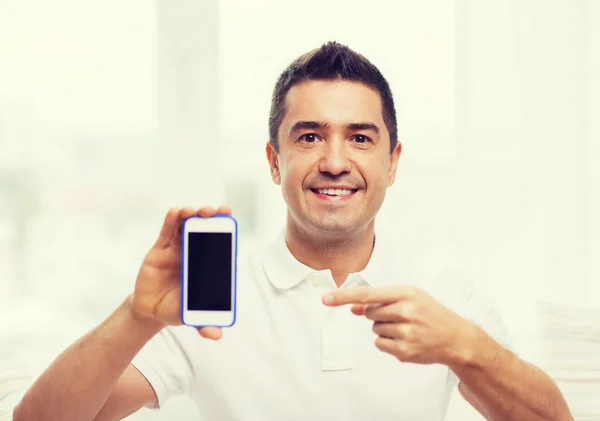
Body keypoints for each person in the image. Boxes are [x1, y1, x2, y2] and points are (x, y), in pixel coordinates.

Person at [14, 42, 573, 421]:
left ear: (393, 161)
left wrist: (464, 347)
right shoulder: (209, 303)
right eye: (309, 137)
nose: (334, 161)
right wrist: (135, 317)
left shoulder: (446, 293)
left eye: (360, 137)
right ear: (274, 161)